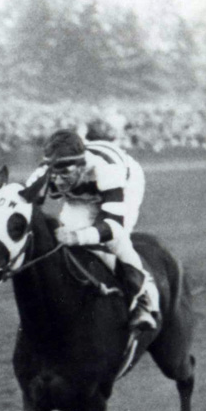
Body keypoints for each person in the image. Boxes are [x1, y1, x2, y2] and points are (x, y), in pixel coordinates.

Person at [28, 129, 158, 331]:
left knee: (115, 241)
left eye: (65, 173)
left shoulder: (106, 170)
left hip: (126, 182)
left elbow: (113, 226)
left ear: (81, 166)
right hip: (84, 191)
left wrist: (77, 237)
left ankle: (144, 297)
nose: (59, 180)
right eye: (54, 173)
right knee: (69, 231)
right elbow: (24, 205)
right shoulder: (46, 172)